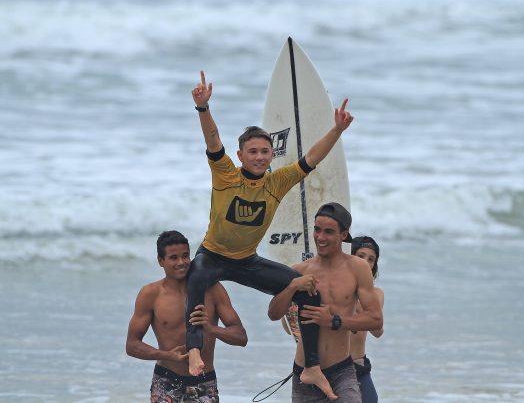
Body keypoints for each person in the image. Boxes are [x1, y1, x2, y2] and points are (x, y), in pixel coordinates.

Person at [187, 70, 355, 399]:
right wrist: (203, 109)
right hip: (213, 256)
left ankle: (311, 366)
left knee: (308, 291)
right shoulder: (225, 174)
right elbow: (212, 141)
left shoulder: (277, 182)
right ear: (241, 156)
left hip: (247, 262)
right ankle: (194, 349)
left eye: (265, 152)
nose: (260, 157)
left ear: (271, 155)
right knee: (195, 276)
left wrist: (337, 130)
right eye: (253, 152)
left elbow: (312, 159)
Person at [267, 203, 383, 402]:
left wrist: (334, 321)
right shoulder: (299, 270)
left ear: (344, 234)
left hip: (341, 370)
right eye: (317, 230)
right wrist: (292, 287)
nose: (320, 237)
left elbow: (375, 321)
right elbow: (273, 313)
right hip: (305, 373)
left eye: (328, 232)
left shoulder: (358, 269)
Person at [126, 230, 248, 403]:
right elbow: (132, 345)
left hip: (204, 381)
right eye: (173, 258)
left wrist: (211, 328)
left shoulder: (213, 290)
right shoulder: (151, 294)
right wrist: (168, 355)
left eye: (185, 256)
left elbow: (241, 337)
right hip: (166, 380)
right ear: (161, 261)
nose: (181, 262)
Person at [350, 236, 384, 403]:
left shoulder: (376, 294)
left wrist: (362, 304)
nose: (365, 262)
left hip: (359, 365)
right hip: (332, 365)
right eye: (361, 256)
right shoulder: (334, 288)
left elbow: (378, 332)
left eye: (371, 259)